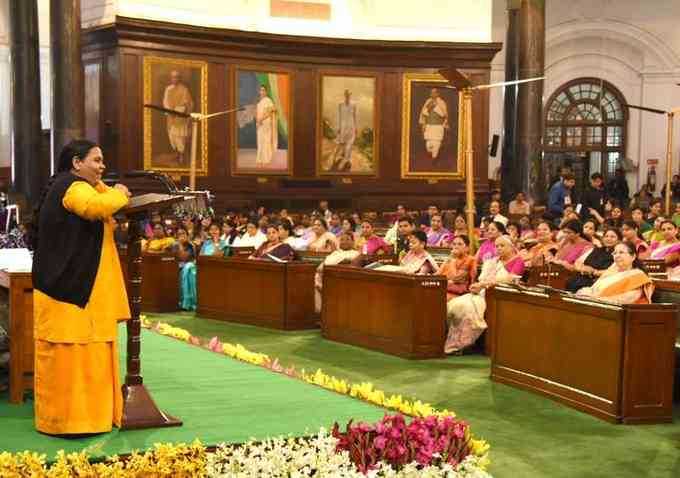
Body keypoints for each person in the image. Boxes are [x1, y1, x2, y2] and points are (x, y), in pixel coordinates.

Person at [31, 139, 131, 434]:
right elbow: (93, 207)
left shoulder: (72, 184)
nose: (103, 166)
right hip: (70, 294)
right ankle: (71, 422)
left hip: (81, 295)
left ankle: (89, 418)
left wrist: (104, 187)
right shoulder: (72, 187)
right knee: (71, 356)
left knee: (88, 353)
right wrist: (119, 193)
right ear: (76, 163)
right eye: (97, 160)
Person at [445, 235, 524, 354]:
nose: (498, 248)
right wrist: (477, 286)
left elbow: (510, 279)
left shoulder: (518, 261)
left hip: (498, 295)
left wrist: (483, 285)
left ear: (511, 247)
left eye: (502, 245)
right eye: (496, 246)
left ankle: (462, 345)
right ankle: (456, 343)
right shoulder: (493, 261)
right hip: (481, 292)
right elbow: (482, 279)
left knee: (466, 308)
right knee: (455, 304)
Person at [577, 242, 654, 304]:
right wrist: (584, 294)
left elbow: (630, 298)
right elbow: (593, 289)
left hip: (616, 311)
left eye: (621, 252)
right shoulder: (611, 272)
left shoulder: (638, 275)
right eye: (615, 253)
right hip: (597, 305)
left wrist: (598, 300)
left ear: (633, 256)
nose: (617, 256)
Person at [314, 232, 359, 313]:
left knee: (314, 283)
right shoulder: (335, 253)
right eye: (342, 239)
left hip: (337, 280)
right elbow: (320, 267)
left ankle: (320, 314)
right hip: (322, 276)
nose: (344, 241)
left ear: (353, 242)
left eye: (347, 239)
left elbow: (348, 269)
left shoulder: (356, 254)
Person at [566, 228, 621, 292]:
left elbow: (614, 271)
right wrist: (583, 268)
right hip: (582, 277)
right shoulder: (596, 249)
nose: (608, 239)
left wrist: (594, 271)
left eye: (612, 237)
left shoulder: (618, 254)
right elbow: (579, 262)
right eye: (606, 236)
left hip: (598, 281)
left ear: (618, 240)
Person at [162, 70, 194, 166]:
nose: (174, 79)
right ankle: (176, 153)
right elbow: (165, 101)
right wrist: (169, 111)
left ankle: (181, 155)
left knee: (180, 137)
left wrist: (177, 111)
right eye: (172, 77)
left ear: (179, 78)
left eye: (176, 77)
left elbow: (186, 102)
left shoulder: (184, 89)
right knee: (172, 136)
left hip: (180, 117)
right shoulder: (168, 89)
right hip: (170, 116)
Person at [438, 235, 476, 301]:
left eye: (459, 244)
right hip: (443, 289)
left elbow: (456, 278)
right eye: (454, 244)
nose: (456, 246)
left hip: (458, 294)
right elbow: (438, 274)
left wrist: (453, 260)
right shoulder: (449, 259)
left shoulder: (470, 260)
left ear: (467, 248)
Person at [330, 89, 357, 171]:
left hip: (351, 127)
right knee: (341, 144)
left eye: (349, 95)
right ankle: (334, 157)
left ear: (350, 96)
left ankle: (346, 161)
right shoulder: (340, 105)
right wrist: (338, 127)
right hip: (343, 127)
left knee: (349, 145)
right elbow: (339, 116)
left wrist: (356, 127)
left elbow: (354, 117)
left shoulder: (354, 105)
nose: (348, 96)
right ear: (344, 95)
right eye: (346, 95)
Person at [419, 88, 448, 159]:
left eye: (435, 92)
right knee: (428, 145)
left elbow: (444, 115)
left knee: (436, 142)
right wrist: (423, 124)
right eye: (431, 92)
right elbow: (424, 113)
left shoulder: (441, 102)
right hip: (429, 125)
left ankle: (434, 157)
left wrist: (436, 107)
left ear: (438, 94)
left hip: (438, 126)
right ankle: (432, 154)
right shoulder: (428, 101)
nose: (433, 94)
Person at [175, 226, 197, 311]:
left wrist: (180, 245)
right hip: (175, 266)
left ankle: (188, 302)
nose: (181, 236)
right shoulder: (174, 245)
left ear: (187, 235)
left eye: (183, 233)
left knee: (188, 269)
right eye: (179, 234)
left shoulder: (191, 245)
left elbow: (184, 258)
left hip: (189, 266)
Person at [255, 85, 277, 166]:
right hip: (259, 122)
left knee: (265, 140)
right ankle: (260, 159)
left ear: (266, 92)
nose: (262, 92)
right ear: (259, 91)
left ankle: (266, 160)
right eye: (261, 90)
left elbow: (270, 112)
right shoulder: (260, 101)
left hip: (266, 122)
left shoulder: (268, 100)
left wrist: (261, 119)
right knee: (260, 141)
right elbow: (257, 112)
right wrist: (257, 120)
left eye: (264, 90)